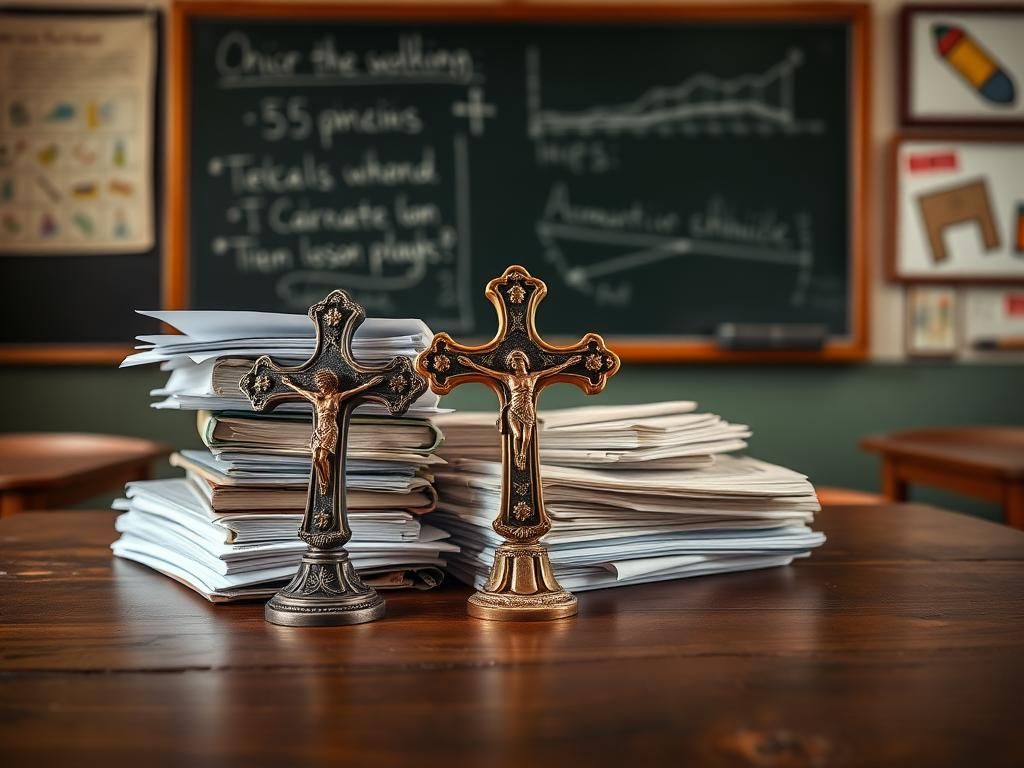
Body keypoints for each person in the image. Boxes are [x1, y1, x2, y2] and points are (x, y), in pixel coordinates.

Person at [457, 350, 581, 470]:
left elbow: (552, 370)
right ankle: (517, 456)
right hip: (514, 410)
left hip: (527, 410)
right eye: (516, 363)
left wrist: (568, 363)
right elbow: (489, 372)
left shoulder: (533, 377)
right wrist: (471, 364)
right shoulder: (508, 378)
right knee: (517, 435)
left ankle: (523, 455)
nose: (518, 364)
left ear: (525, 363)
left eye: (520, 362)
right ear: (513, 365)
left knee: (527, 438)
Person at [282, 369, 384, 494]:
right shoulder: (317, 398)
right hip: (319, 431)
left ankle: (325, 484)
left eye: (322, 385)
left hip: (330, 430)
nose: (321, 387)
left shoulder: (336, 397)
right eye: (319, 385)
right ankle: (322, 481)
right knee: (315, 459)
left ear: (329, 383)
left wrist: (369, 385)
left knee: (323, 457)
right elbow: (303, 392)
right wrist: (289, 384)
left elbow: (354, 392)